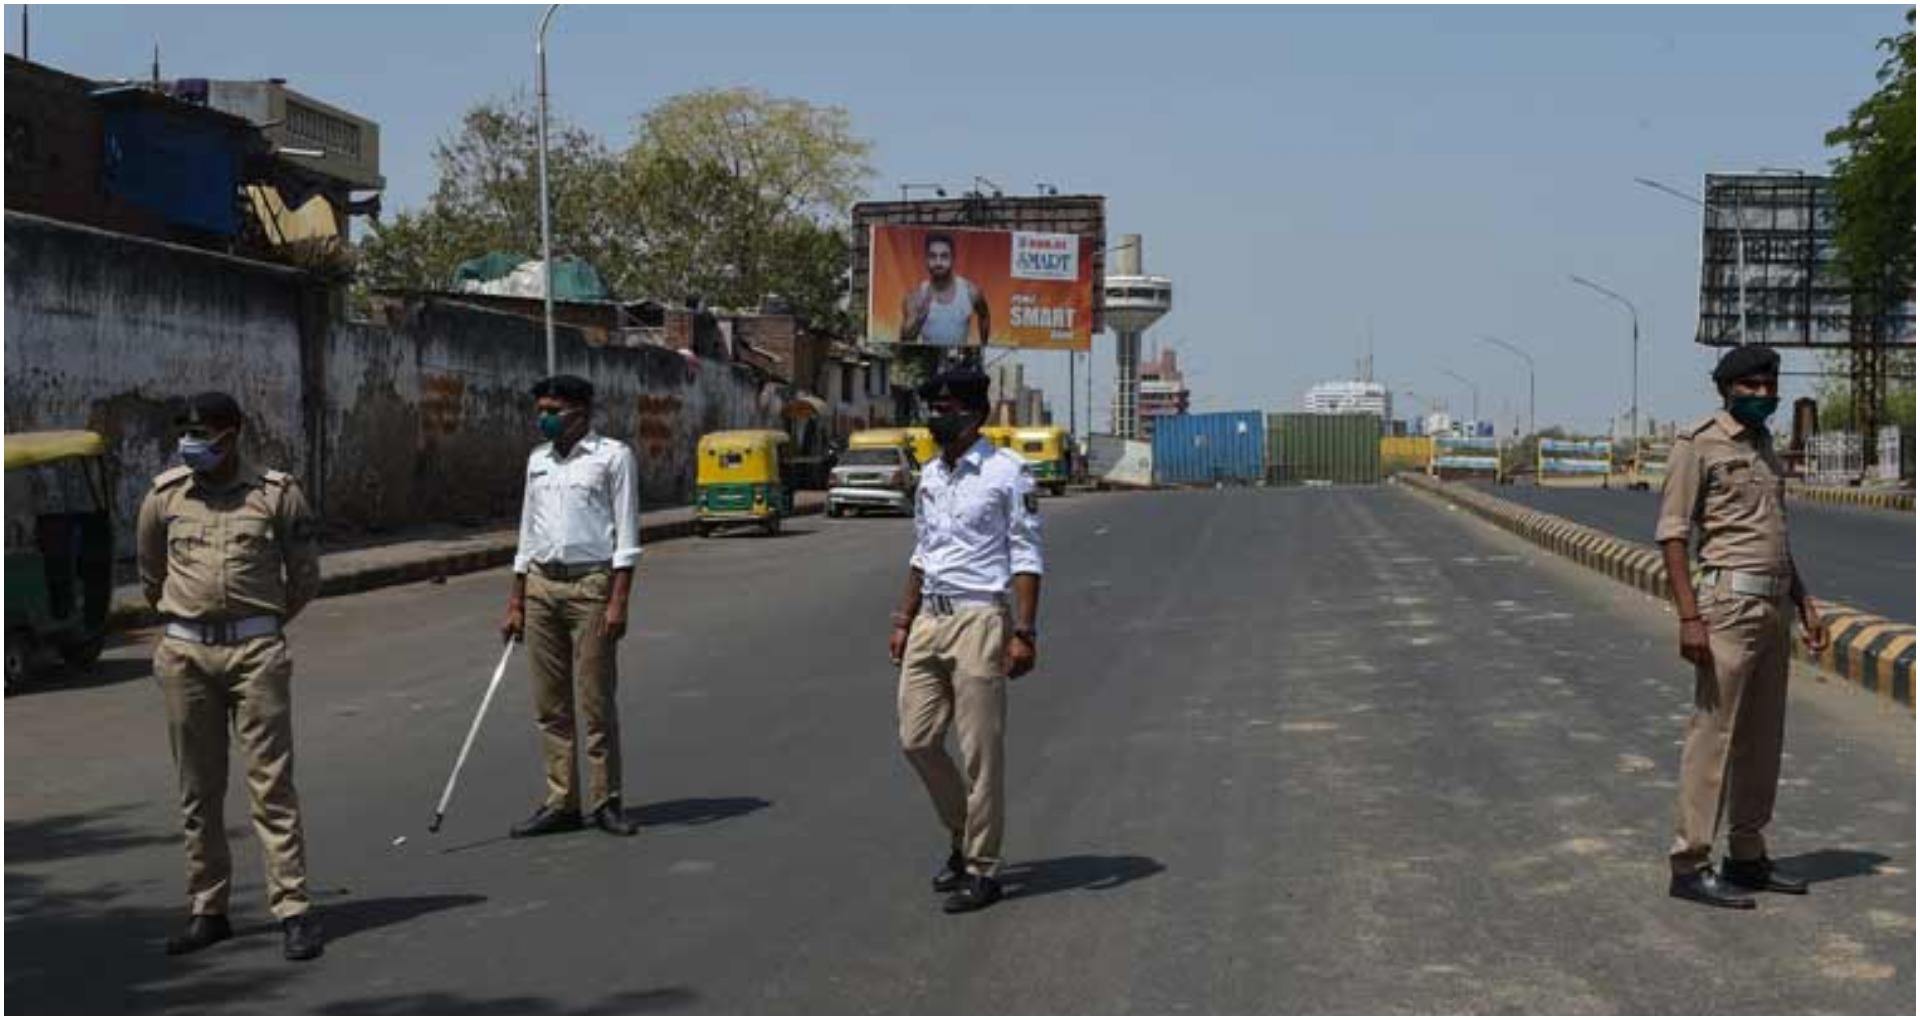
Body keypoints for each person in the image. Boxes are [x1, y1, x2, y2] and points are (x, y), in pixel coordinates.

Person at [135, 392, 324, 961]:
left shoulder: (276, 494)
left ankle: (292, 910)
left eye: (205, 433)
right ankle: (208, 909)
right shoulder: (165, 496)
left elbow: (305, 577)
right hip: (186, 656)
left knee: (272, 786)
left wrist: (259, 627)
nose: (193, 442)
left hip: (256, 656)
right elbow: (150, 576)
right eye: (187, 432)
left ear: (233, 434)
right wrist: (187, 624)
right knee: (198, 788)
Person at [1656, 344, 1830, 909]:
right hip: (1726, 606)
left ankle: (1747, 854)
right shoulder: (1698, 443)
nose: (1763, 397)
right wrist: (1689, 617)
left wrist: (1803, 600)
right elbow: (1674, 535)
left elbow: (1774, 537)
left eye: (1768, 388)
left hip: (1774, 605)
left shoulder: (1765, 447)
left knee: (1763, 736)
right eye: (1751, 388)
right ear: (1727, 389)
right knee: (1714, 736)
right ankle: (1690, 862)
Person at [888, 368, 1043, 913]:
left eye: (946, 409)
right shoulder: (931, 475)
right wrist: (903, 620)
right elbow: (921, 553)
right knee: (917, 739)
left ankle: (982, 865)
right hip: (930, 617)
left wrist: (1024, 632)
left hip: (981, 618)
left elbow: (1025, 555)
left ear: (974, 414)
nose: (936, 418)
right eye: (932, 409)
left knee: (981, 753)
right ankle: (960, 831)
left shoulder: (1008, 473)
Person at [501, 374, 643, 839]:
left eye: (552, 409)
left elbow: (626, 537)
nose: (543, 417)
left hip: (592, 586)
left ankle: (607, 799)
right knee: (550, 703)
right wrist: (517, 599)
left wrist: (619, 601)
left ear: (580, 412)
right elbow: (528, 532)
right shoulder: (537, 461)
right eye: (540, 408)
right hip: (542, 585)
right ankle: (561, 800)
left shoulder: (613, 458)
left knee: (595, 699)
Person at [900, 232, 992, 347]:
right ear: (926, 259)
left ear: (953, 258)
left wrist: (984, 346)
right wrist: (920, 318)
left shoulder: (971, 292)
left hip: (958, 358)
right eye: (933, 256)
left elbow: (984, 317)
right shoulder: (916, 297)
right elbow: (904, 340)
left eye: (944, 256)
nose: (938, 263)